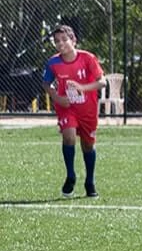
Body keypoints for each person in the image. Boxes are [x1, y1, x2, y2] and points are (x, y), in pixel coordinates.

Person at [42, 25, 106, 198]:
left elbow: (102, 82)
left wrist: (82, 87)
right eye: (57, 41)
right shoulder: (53, 62)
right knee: (68, 136)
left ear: (74, 40)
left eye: (64, 40)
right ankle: (70, 175)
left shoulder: (87, 58)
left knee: (88, 145)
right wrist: (57, 97)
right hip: (67, 108)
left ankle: (90, 182)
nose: (60, 44)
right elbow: (46, 84)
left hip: (87, 109)